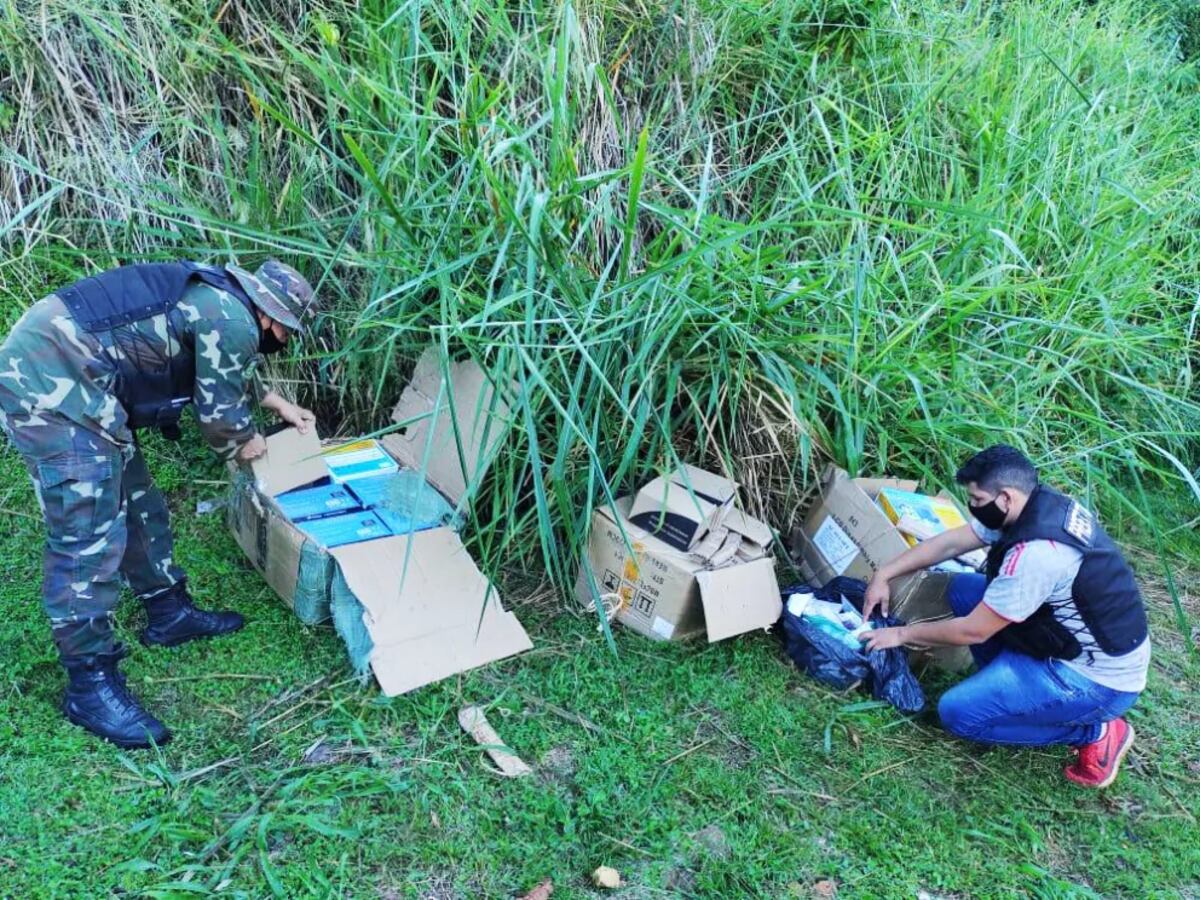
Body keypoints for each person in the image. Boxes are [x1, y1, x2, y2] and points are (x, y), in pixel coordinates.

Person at [0, 259, 319, 748]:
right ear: (270, 317)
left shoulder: (224, 301)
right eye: (286, 331)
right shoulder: (232, 317)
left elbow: (221, 365)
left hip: (84, 380)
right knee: (86, 535)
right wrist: (248, 442)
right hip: (47, 383)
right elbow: (221, 417)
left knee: (138, 501)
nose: (284, 340)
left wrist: (276, 404)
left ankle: (168, 612)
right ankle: (90, 684)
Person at [859, 445, 1150, 788]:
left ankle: (1096, 731)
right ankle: (1010, 681)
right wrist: (884, 574)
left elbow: (972, 633)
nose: (973, 507)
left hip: (1095, 681)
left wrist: (901, 635)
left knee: (958, 713)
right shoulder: (1032, 507)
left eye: (978, 500)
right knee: (964, 590)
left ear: (1006, 498)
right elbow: (950, 545)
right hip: (1064, 638)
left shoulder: (1039, 554)